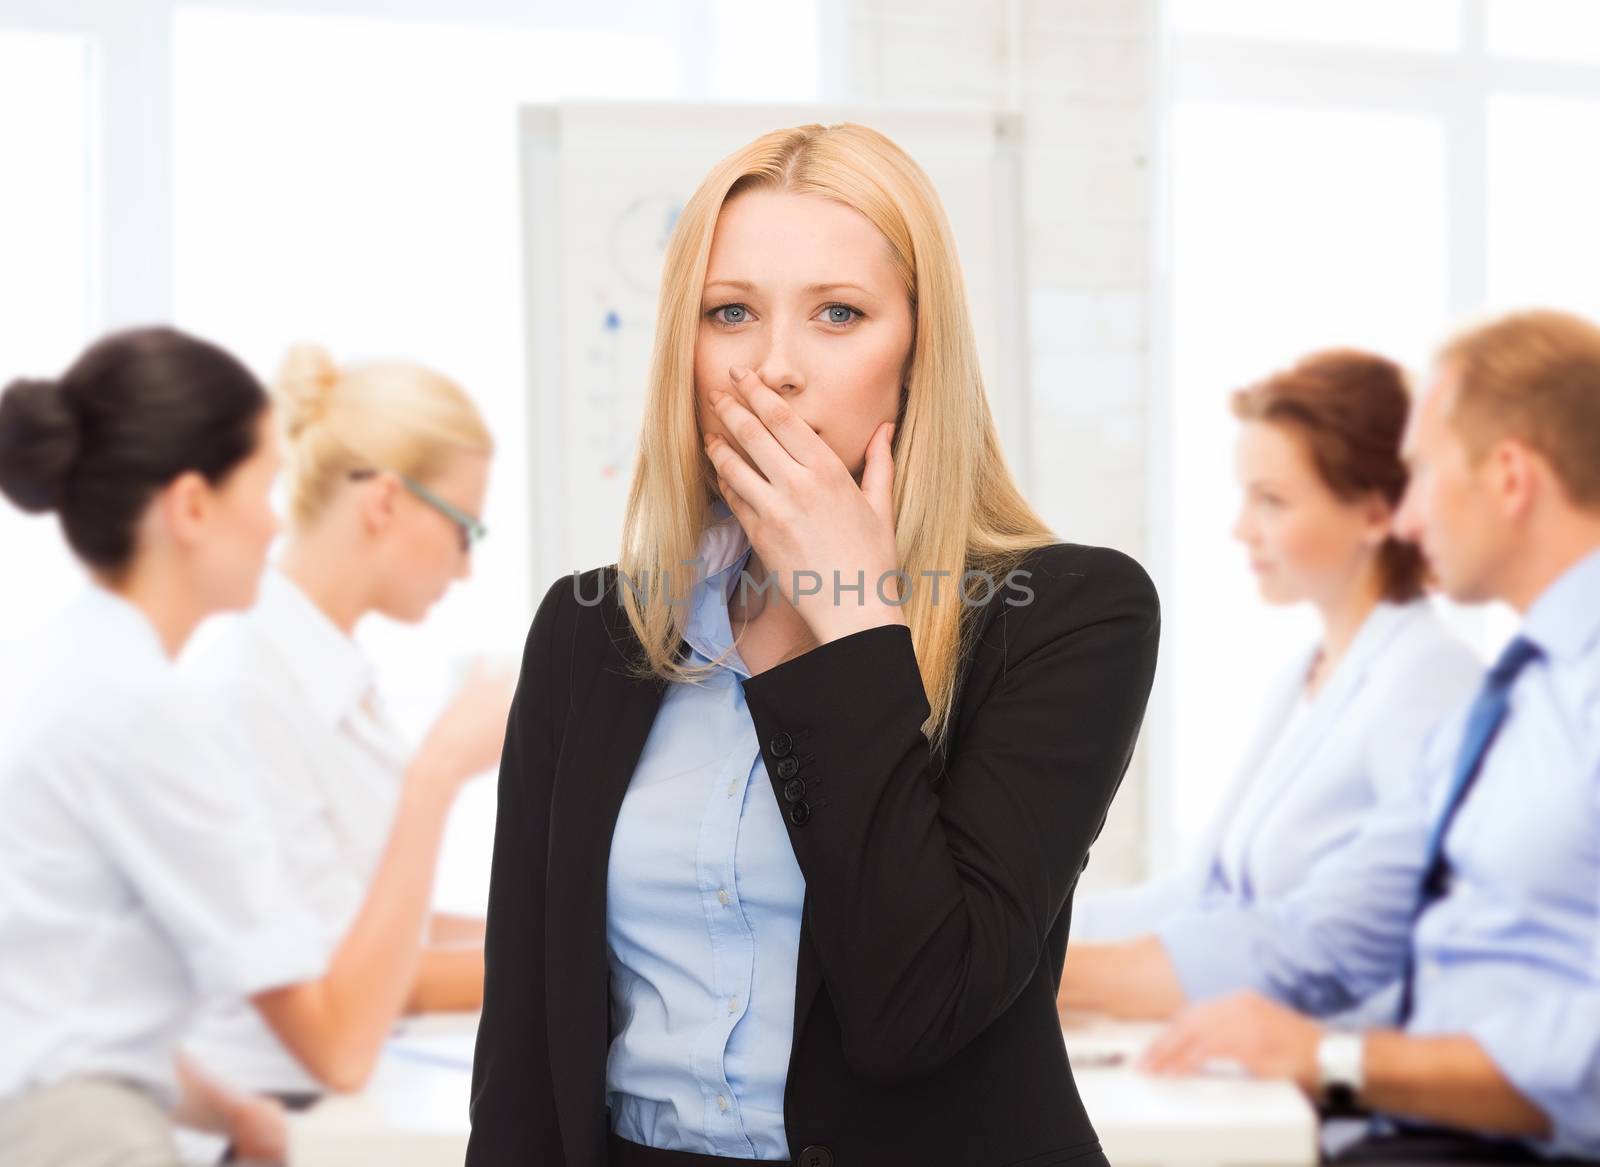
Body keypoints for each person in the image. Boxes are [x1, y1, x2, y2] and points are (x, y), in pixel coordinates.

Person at [465, 122, 1161, 1167]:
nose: (774, 368)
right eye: (730, 313)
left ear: (916, 353)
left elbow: (915, 1009)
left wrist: (852, 617)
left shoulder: (1067, 614)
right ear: (683, 350)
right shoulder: (589, 630)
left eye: (839, 314)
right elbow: (524, 1043)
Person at [1059, 308, 1600, 1162]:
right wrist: (1015, 964)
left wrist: (1339, 1060)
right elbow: (1324, 934)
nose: (1408, 515)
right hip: (1419, 1126)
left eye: (1421, 475)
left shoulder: (1473, 685)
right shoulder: (1517, 695)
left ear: (1508, 477)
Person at [0, 327, 477, 1165]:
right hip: (83, 1138)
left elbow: (83, 1002)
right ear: (191, 507)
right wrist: (442, 769)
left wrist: (229, 1113)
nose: (273, 521)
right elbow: (337, 1041)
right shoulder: (147, 706)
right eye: (262, 487)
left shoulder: (91, 665)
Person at [178, 345, 512, 1115]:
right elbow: (349, 983)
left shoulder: (330, 677)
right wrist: (442, 769)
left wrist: (564, 931)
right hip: (256, 1114)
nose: (463, 569)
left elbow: (379, 917)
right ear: (385, 502)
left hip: (317, 1101)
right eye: (466, 529)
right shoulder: (247, 689)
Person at [1069, 350, 1478, 960]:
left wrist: (1032, 975)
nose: (1242, 529)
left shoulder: (1429, 679)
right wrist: (1011, 933)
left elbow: (1405, 944)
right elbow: (1203, 897)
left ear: (1374, 513)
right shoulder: (1301, 680)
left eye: (1272, 501)